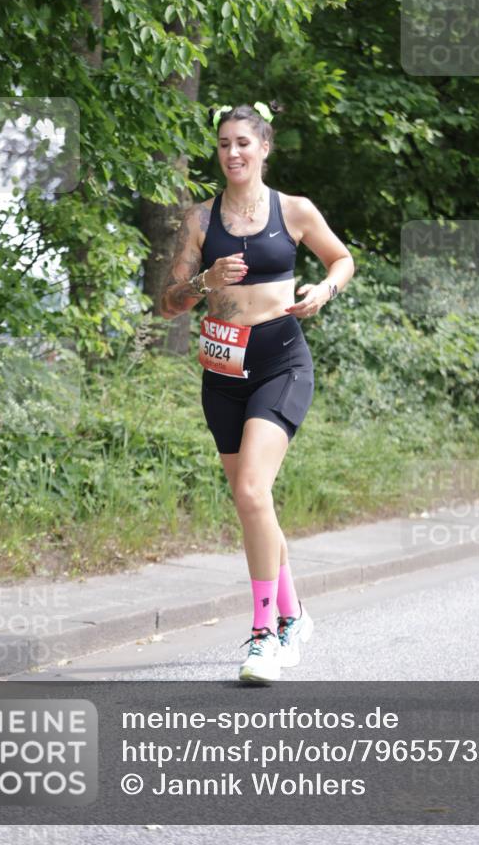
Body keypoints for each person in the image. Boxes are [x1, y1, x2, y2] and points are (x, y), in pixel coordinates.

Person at [159, 100, 355, 683]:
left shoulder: (292, 210)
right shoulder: (200, 220)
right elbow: (170, 300)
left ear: (264, 147)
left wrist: (324, 290)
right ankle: (295, 616)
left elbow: (341, 259)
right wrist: (204, 280)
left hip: (280, 362)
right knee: (254, 504)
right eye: (224, 144)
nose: (233, 153)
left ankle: (264, 635)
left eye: (243, 142)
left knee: (250, 490)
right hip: (222, 371)